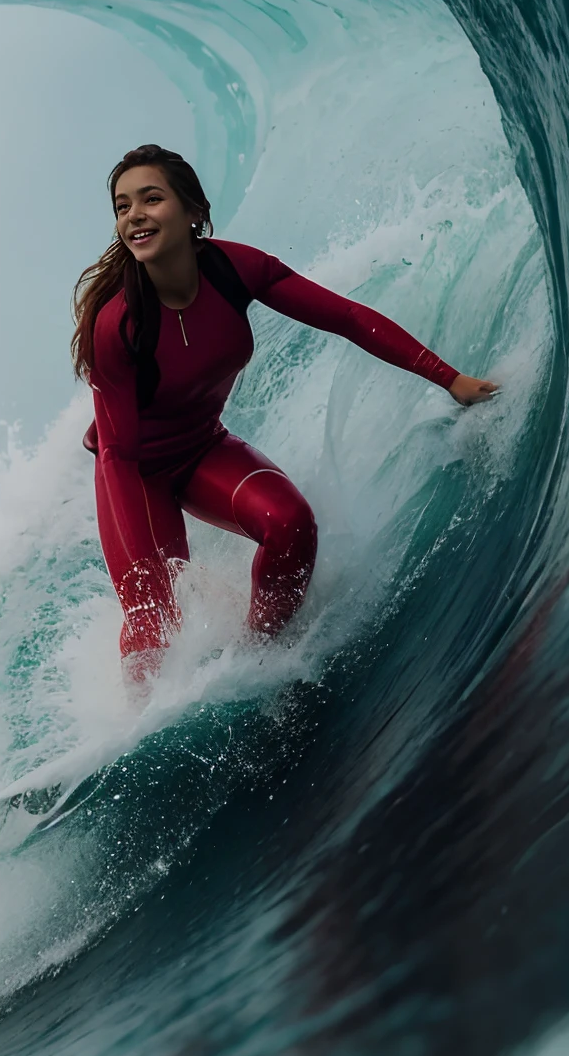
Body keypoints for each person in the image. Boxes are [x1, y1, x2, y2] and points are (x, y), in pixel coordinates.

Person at [73, 144, 498, 680]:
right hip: (134, 473)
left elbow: (345, 316)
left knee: (291, 525)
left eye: (150, 199)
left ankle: (261, 664)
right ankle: (139, 729)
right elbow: (116, 453)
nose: (133, 214)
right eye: (121, 206)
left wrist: (449, 378)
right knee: (153, 619)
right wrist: (145, 584)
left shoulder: (235, 270)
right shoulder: (118, 326)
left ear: (193, 212)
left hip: (201, 447)